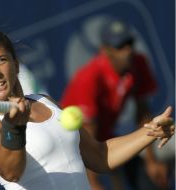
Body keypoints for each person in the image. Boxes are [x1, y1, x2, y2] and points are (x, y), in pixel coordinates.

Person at [0, 27, 174, 190]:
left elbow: (99, 156)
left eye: (1, 60)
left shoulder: (45, 102)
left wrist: (150, 131)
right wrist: (15, 127)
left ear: (16, 64)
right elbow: (11, 171)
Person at [60, 18, 172, 189]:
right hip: (74, 147)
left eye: (129, 43)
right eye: (120, 46)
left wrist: (151, 161)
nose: (127, 50)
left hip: (107, 138)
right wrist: (93, 182)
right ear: (106, 50)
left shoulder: (138, 62)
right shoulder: (89, 78)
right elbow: (89, 133)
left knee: (151, 180)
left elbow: (142, 112)